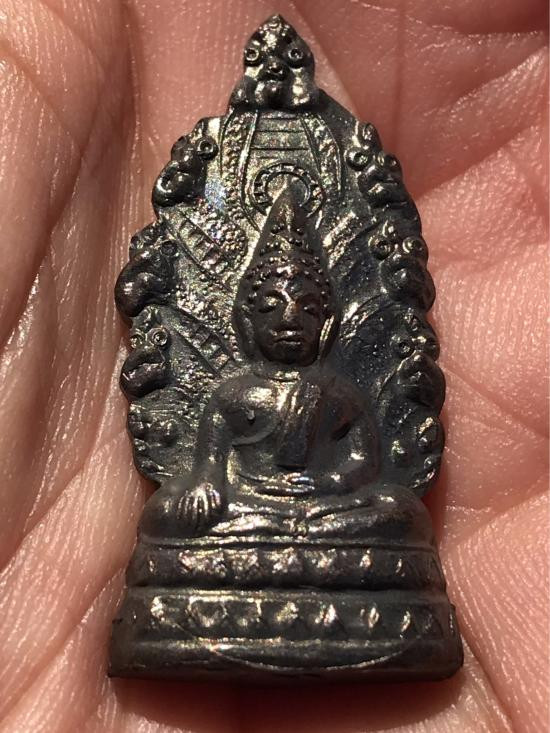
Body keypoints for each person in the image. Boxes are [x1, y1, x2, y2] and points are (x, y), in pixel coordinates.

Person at [0, 1, 547, 731]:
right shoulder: (232, 392)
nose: (289, 318)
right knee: (168, 514)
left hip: (330, 513)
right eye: (271, 305)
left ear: (329, 320)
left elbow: (364, 465)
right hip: (243, 517)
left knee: (396, 512)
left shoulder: (340, 391)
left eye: (304, 307)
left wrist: (326, 486)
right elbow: (207, 468)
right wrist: (209, 492)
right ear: (241, 317)